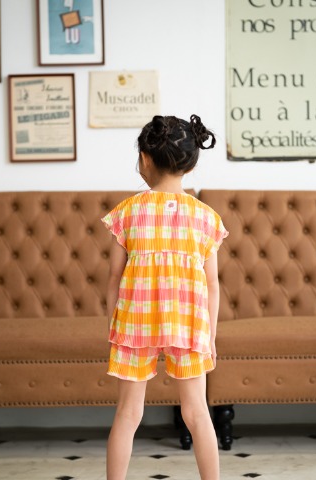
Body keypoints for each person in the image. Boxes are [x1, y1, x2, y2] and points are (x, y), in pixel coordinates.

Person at [102, 114, 228, 480]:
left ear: (144, 158)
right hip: (188, 325)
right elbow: (213, 285)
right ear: (191, 163)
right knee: (197, 413)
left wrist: (114, 326)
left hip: (135, 324)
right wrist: (210, 334)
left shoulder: (127, 212)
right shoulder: (206, 217)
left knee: (128, 414)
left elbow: (114, 278)